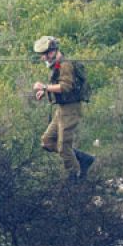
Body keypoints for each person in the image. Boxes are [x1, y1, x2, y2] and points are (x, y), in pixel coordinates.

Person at [32, 36, 94, 180]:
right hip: (61, 109)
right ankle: (83, 159)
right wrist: (46, 90)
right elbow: (58, 85)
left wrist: (45, 86)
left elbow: (66, 86)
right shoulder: (57, 65)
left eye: (46, 54)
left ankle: (75, 177)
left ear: (53, 50)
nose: (43, 58)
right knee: (47, 141)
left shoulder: (65, 65)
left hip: (70, 109)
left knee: (64, 146)